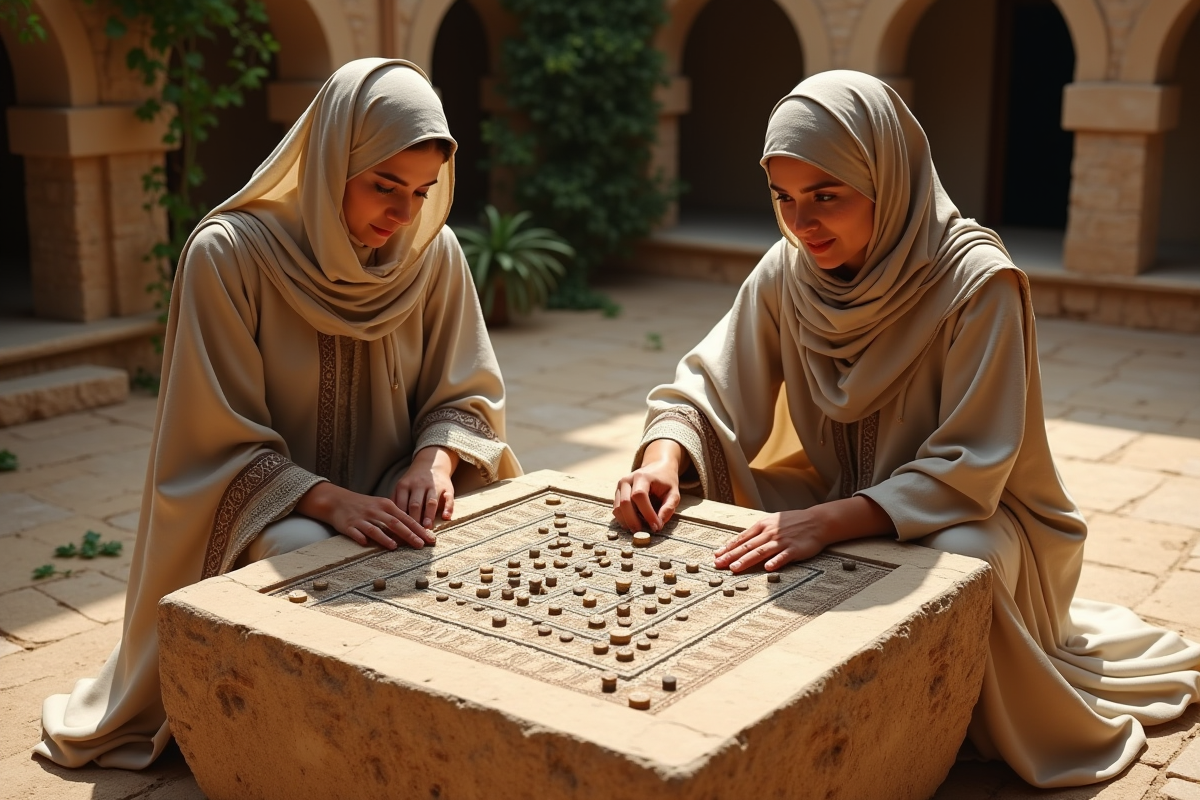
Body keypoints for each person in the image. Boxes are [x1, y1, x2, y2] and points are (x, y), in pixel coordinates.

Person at [612, 70, 1199, 789]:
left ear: (887, 180)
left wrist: (827, 522)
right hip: (843, 490)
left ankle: (946, 713)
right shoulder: (789, 274)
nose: (803, 224)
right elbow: (710, 383)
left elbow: (972, 466)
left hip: (977, 510)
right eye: (784, 199)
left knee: (959, 558)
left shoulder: (978, 284)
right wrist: (664, 458)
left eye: (827, 196)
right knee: (705, 500)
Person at [35, 58, 521, 770]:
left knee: (482, 512)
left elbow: (466, 393)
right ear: (330, 157)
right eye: (385, 186)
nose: (404, 214)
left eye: (421, 192)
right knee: (305, 551)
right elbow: (212, 438)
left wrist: (433, 460)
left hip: (388, 485)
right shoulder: (229, 256)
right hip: (269, 504)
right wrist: (327, 500)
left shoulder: (431, 254)